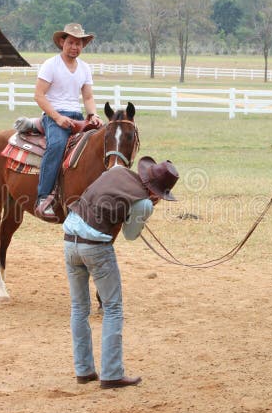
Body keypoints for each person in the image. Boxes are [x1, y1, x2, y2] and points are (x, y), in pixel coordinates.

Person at [63, 156, 179, 388]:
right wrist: (142, 212)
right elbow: (130, 234)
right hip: (96, 248)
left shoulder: (118, 171)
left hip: (69, 241)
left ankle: (84, 370)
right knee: (113, 308)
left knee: (79, 307)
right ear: (157, 191)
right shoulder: (144, 203)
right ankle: (112, 373)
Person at [34, 23, 101, 221]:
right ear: (62, 42)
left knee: (105, 141)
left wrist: (93, 115)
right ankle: (43, 198)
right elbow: (39, 95)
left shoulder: (85, 68)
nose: (75, 47)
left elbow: (88, 97)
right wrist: (57, 117)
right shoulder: (51, 65)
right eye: (71, 42)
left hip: (78, 117)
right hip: (54, 116)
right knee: (56, 145)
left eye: (79, 43)